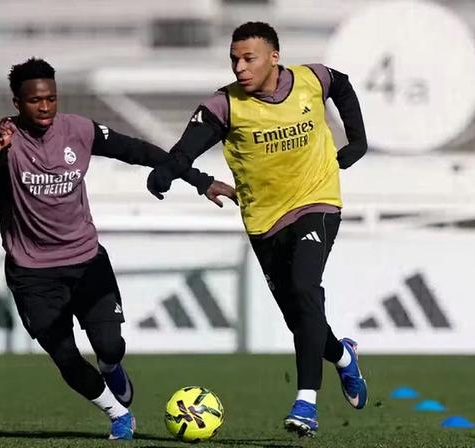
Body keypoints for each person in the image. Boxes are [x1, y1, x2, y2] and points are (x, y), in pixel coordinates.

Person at [0, 57, 236, 441]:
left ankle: (112, 367)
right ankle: (118, 415)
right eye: (35, 101)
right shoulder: (4, 138)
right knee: (64, 356)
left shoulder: (78, 129)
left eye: (51, 98)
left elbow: (139, 151)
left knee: (110, 345)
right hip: (32, 273)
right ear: (17, 103)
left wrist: (199, 180)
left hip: (85, 260)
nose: (45, 106)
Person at [146, 22, 369, 437]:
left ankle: (306, 403)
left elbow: (343, 84)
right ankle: (342, 358)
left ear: (274, 57)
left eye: (249, 58)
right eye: (234, 59)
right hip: (263, 220)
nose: (240, 67)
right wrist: (166, 173)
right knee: (299, 317)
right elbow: (185, 150)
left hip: (316, 200)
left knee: (305, 289)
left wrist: (356, 140)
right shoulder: (223, 106)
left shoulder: (311, 79)